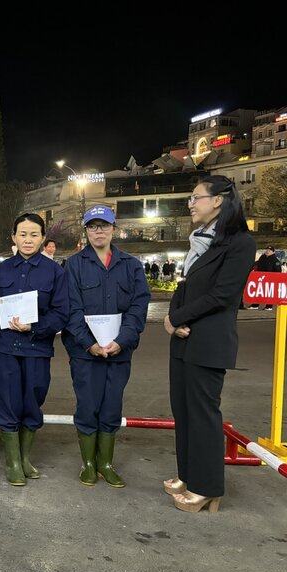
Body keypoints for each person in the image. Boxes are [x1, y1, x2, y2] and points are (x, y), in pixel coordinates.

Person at [164, 176, 255, 513]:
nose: (191, 203)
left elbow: (223, 295)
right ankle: (188, 474)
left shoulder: (240, 243)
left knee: (203, 414)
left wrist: (178, 317)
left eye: (196, 197)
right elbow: (185, 287)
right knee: (183, 411)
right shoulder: (200, 241)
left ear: (218, 201)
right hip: (184, 340)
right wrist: (173, 317)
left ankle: (207, 487)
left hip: (209, 341)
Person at [63, 206, 150, 487]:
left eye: (103, 225)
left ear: (114, 228)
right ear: (86, 230)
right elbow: (70, 309)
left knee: (112, 407)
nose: (98, 231)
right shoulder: (73, 265)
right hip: (85, 354)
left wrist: (121, 342)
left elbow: (138, 307)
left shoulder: (131, 265)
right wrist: (89, 344)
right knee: (88, 406)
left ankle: (106, 463)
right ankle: (88, 464)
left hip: (118, 352)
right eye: (92, 226)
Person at [0, 213, 69, 486]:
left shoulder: (55, 272)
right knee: (7, 402)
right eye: (22, 234)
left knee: (32, 402)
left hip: (37, 348)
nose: (28, 239)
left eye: (34, 234)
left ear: (43, 238)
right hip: (5, 350)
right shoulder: (0, 271)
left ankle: (25, 457)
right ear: (13, 237)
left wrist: (35, 327)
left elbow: (61, 313)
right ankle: (13, 461)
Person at [248, 246, 280, 310]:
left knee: (269, 292)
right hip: (261, 278)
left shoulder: (275, 260)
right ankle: (255, 305)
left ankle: (269, 306)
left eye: (269, 250)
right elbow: (256, 265)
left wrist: (274, 278)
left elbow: (278, 270)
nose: (267, 251)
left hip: (270, 279)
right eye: (267, 250)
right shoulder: (262, 257)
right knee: (259, 292)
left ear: (273, 252)